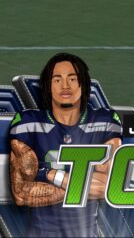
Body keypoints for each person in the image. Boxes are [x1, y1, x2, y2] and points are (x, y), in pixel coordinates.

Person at [9, 53, 122, 237]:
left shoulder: (104, 121)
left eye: (72, 78)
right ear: (48, 86)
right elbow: (21, 193)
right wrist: (82, 183)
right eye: (57, 79)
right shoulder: (29, 122)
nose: (65, 86)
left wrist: (48, 173)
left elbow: (112, 187)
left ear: (83, 84)